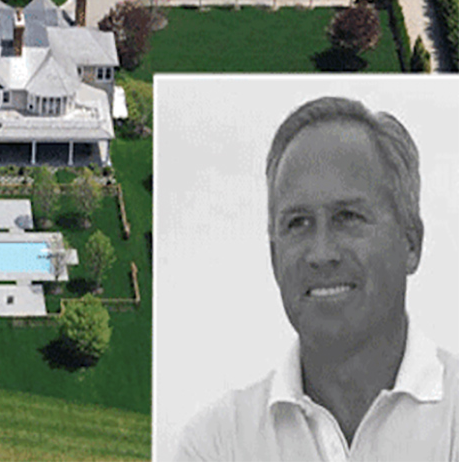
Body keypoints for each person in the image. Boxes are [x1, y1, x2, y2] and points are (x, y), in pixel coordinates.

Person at [175, 96, 459, 461]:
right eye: (298, 223)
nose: (321, 253)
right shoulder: (216, 443)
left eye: (348, 217)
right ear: (273, 257)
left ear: (411, 243)